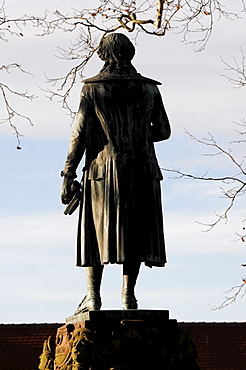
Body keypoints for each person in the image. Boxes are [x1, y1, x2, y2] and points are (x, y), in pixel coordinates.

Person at [61, 33, 171, 313]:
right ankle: (128, 296)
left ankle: (93, 297)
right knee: (135, 233)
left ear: (102, 54)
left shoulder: (93, 89)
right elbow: (162, 130)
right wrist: (136, 136)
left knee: (95, 234)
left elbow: (80, 133)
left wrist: (68, 173)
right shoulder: (148, 89)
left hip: (103, 172)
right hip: (142, 169)